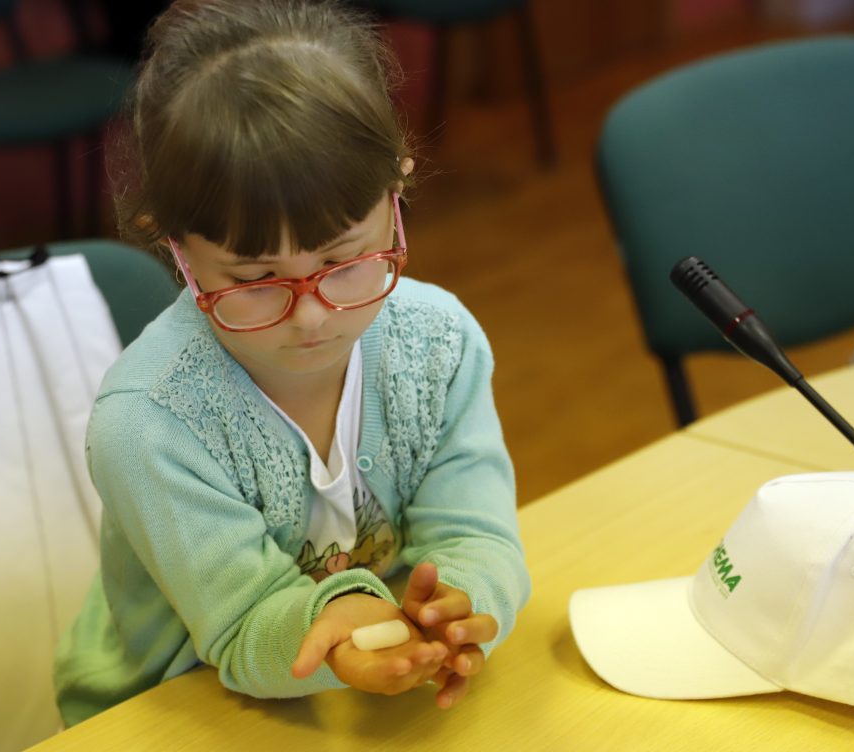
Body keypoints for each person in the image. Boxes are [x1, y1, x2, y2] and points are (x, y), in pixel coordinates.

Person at [54, 0, 530, 726]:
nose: (312, 315)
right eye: (252, 280)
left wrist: (461, 608)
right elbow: (244, 623)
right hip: (168, 707)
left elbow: (477, 534)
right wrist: (336, 628)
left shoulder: (440, 344)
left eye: (344, 260)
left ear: (395, 191)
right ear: (172, 243)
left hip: (364, 686)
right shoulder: (149, 421)